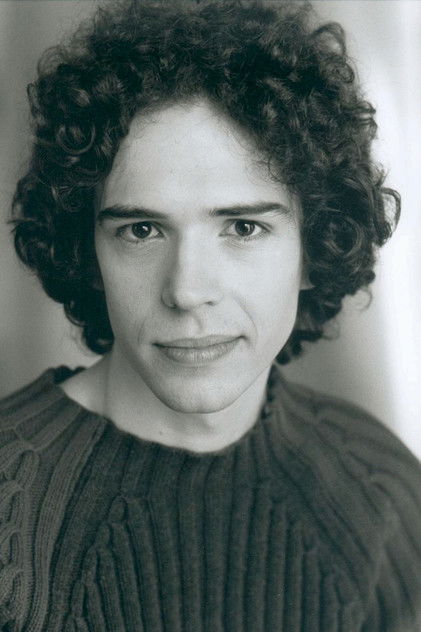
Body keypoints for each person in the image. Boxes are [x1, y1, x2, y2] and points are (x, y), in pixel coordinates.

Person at [1, 0, 420, 630]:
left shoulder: (381, 490)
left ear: (315, 247)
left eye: (243, 227)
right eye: (142, 230)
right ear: (89, 254)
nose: (187, 290)